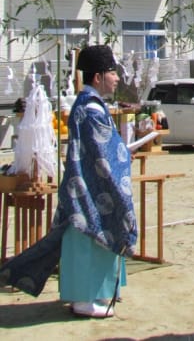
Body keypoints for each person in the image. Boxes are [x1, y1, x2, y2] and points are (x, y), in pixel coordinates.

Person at [56, 44, 138, 318]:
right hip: (90, 190)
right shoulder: (91, 109)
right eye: (112, 73)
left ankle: (97, 293)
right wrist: (123, 155)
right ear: (98, 78)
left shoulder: (87, 105)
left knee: (91, 241)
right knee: (92, 239)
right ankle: (84, 298)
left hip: (85, 186)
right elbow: (103, 152)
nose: (116, 79)